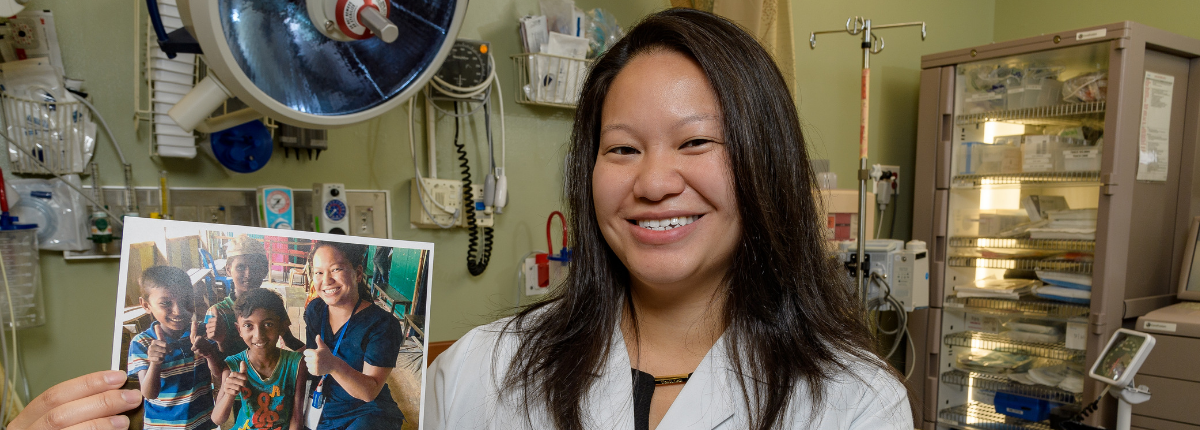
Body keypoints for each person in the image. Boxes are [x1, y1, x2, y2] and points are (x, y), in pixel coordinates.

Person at [427, 8, 911, 430]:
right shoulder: (478, 371)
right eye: (622, 149)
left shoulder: (856, 402)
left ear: (766, 163)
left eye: (695, 142)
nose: (654, 183)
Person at [301, 242, 404, 430]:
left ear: (357, 273)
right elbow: (311, 359)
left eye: (336, 269)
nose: (326, 280)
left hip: (365, 414)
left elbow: (369, 392)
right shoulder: (315, 310)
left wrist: (333, 365)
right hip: (323, 408)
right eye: (319, 272)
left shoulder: (383, 324)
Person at [127, 266, 219, 430]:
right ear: (146, 305)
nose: (178, 310)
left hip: (202, 423)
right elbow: (149, 394)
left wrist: (210, 353)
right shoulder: (142, 343)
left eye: (186, 301)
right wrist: (155, 363)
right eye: (166, 303)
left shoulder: (202, 333)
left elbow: (219, 375)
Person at [212, 288, 309, 430]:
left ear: (281, 327)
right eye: (248, 325)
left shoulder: (296, 363)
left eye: (268, 324)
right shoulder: (234, 364)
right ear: (239, 330)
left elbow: (296, 418)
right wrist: (229, 394)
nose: (258, 335)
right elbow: (217, 419)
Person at [207, 234, 306, 356]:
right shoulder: (218, 312)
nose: (248, 274)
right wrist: (221, 342)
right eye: (240, 267)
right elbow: (213, 361)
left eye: (255, 267)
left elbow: (290, 340)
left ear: (264, 270)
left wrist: (314, 357)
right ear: (228, 270)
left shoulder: (272, 303)